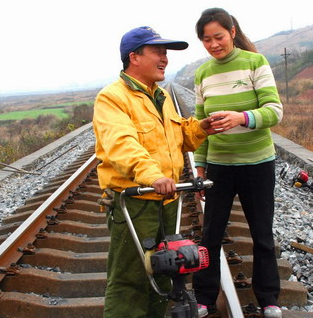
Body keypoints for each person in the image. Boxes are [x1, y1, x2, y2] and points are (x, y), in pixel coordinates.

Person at [92, 26, 227, 318]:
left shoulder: (160, 97)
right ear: (134, 57)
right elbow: (122, 145)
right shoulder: (113, 98)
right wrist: (152, 176)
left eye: (166, 53)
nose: (164, 58)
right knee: (129, 279)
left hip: (166, 201)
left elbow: (177, 139)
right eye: (158, 52)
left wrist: (200, 128)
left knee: (164, 273)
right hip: (135, 202)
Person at [191, 8, 284, 318]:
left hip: (257, 163)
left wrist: (242, 117)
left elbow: (274, 111)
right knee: (210, 236)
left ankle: (268, 298)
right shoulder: (203, 73)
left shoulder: (255, 63)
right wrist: (199, 168)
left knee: (262, 234)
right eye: (207, 40)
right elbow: (200, 127)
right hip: (219, 166)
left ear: (232, 32)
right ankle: (204, 297)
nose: (214, 44)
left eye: (218, 37)